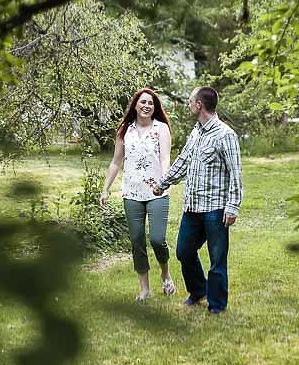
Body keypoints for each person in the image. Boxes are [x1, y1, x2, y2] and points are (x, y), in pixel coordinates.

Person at [152, 86, 242, 314]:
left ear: (199, 104)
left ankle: (217, 305)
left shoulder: (225, 135)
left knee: (217, 259)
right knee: (184, 251)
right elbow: (183, 162)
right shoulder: (196, 132)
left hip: (215, 209)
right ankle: (198, 290)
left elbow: (236, 174)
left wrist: (232, 207)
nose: (189, 104)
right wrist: (162, 183)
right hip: (192, 207)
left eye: (191, 100)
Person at [100, 87, 177, 301]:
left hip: (157, 191)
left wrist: (163, 182)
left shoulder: (161, 128)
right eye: (142, 102)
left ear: (155, 108)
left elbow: (165, 159)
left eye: (151, 103)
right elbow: (116, 162)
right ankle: (144, 288)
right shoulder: (125, 130)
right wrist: (105, 188)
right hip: (132, 192)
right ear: (135, 105)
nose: (146, 106)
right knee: (137, 240)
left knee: (157, 239)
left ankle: (165, 274)